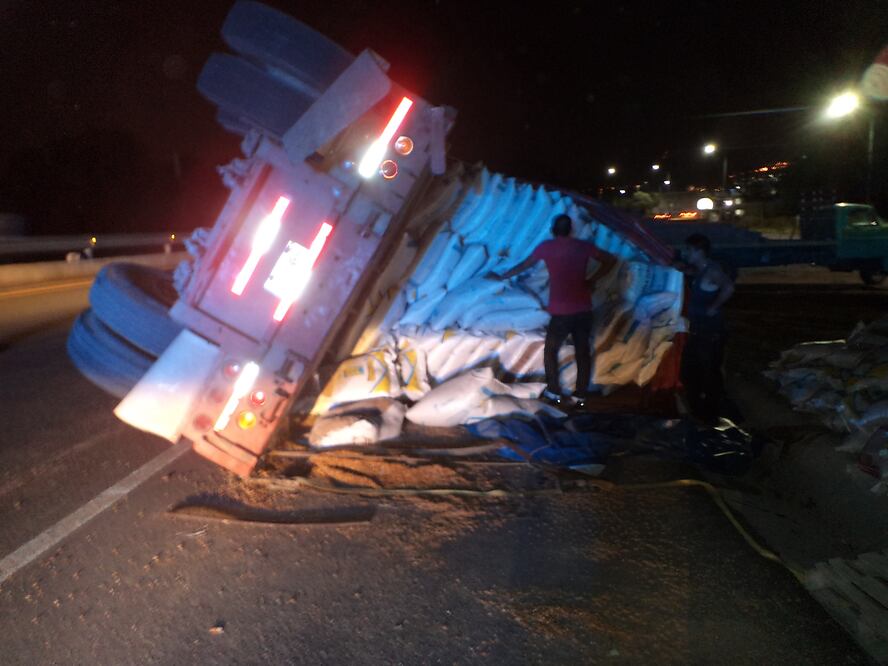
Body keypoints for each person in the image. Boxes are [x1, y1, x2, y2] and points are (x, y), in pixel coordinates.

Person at [488, 214, 617, 408]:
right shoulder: (583, 246)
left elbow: (524, 265)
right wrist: (592, 280)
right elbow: (610, 260)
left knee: (551, 351)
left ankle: (554, 391)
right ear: (571, 230)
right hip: (583, 309)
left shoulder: (546, 248)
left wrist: (501, 277)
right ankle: (580, 396)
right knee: (583, 352)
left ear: (552, 230)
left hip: (561, 312)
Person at [674, 233, 735, 424]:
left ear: (700, 252)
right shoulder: (699, 270)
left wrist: (713, 307)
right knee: (691, 371)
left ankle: (711, 414)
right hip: (698, 329)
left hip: (711, 331)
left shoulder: (712, 271)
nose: (686, 253)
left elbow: (729, 288)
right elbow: (686, 270)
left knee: (709, 372)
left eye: (689, 250)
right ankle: (701, 410)